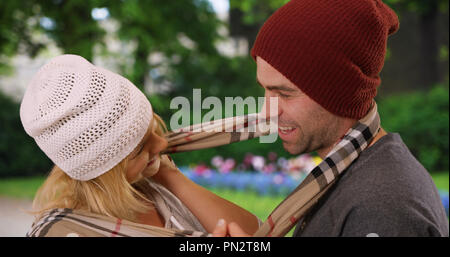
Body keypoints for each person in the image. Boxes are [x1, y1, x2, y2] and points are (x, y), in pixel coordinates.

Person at [157, 0, 449, 237]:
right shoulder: (352, 174)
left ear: (339, 93)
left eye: (284, 93)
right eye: (265, 90)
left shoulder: (381, 209)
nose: (268, 111)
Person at [20, 54, 260, 237]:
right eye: (139, 148)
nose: (162, 142)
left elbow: (256, 234)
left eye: (153, 127)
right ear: (105, 169)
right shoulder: (68, 231)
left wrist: (170, 175)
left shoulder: (151, 190)